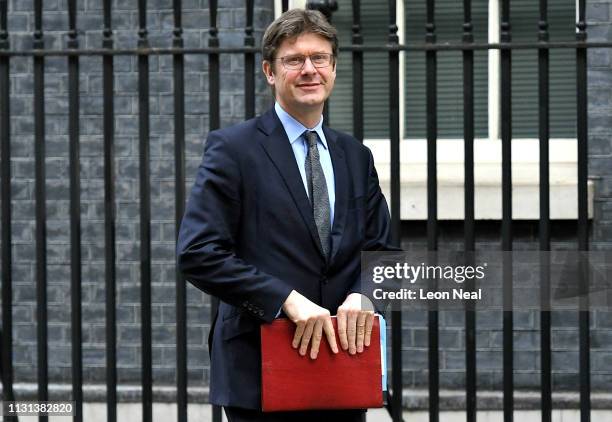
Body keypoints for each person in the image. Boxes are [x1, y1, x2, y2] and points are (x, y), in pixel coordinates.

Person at [177, 8, 394, 422]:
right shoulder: (233, 149)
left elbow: (384, 252)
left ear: (333, 67)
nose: (309, 69)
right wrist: (286, 300)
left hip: (342, 366)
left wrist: (363, 294)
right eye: (294, 60)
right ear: (270, 71)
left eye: (320, 58)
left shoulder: (355, 156)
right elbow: (198, 252)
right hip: (260, 371)